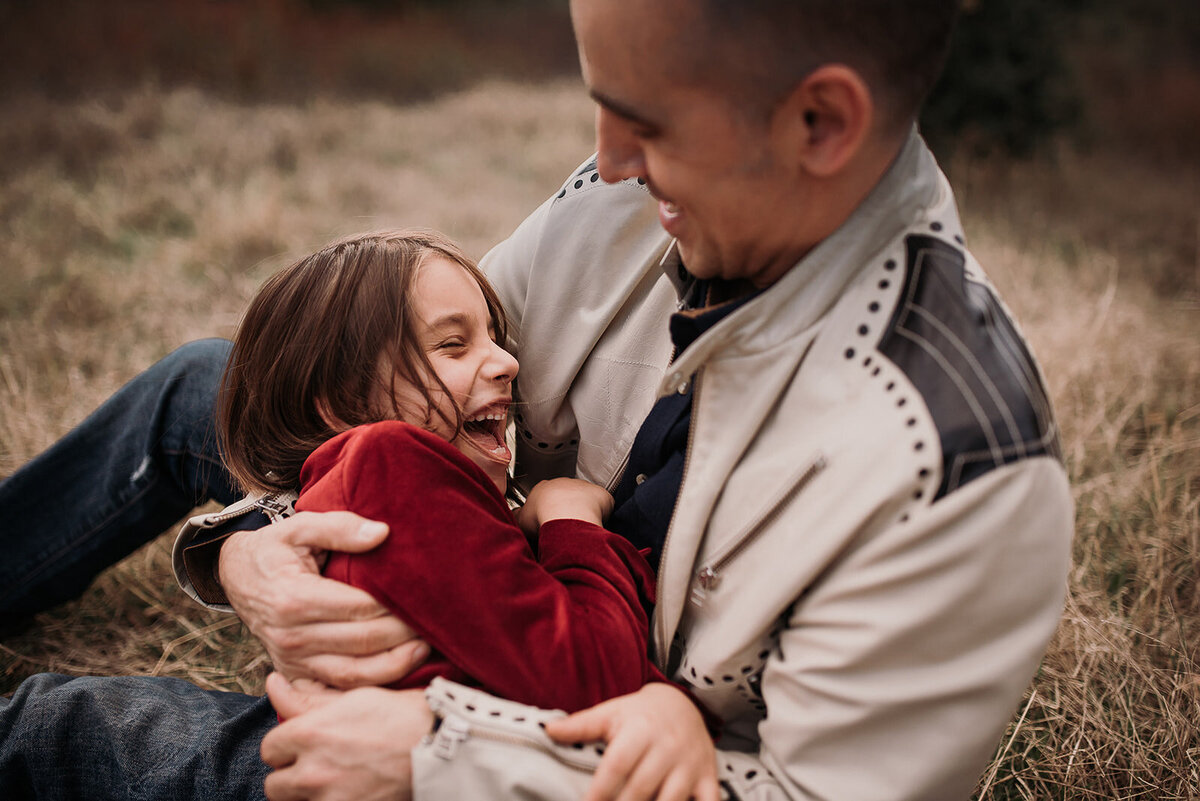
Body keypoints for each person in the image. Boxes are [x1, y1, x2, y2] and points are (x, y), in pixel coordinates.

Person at [0, 1, 1074, 799]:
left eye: (640, 122)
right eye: (601, 108)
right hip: (493, 549)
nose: (606, 161)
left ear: (819, 123)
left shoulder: (956, 468)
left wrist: (443, 760)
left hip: (542, 732)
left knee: (75, 730)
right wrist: (251, 546)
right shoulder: (636, 183)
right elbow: (399, 394)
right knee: (204, 380)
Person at [213, 228, 666, 712]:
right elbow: (599, 680)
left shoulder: (380, 486)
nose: (508, 361)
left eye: (494, 337)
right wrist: (570, 522)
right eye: (453, 344)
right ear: (344, 403)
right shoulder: (388, 461)